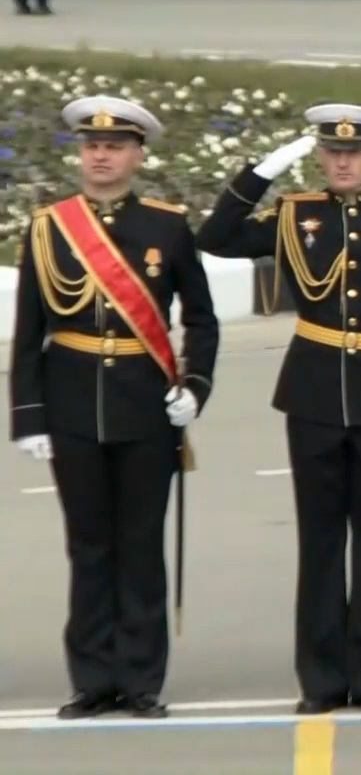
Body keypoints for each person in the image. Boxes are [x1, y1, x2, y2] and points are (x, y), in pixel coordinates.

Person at [193, 105, 361, 715]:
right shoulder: (294, 214)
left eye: (354, 151)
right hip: (312, 395)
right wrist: (262, 174)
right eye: (332, 151)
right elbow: (216, 237)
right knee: (322, 542)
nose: (343, 161)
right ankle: (323, 680)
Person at [11, 97, 219, 719]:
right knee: (88, 545)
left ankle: (141, 680)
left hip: (145, 406)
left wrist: (196, 387)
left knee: (139, 544)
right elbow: (28, 332)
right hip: (72, 403)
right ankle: (92, 679)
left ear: (137, 155)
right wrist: (28, 414)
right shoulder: (49, 227)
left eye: (115, 146)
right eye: (92, 145)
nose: (101, 155)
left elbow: (202, 321)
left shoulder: (166, 226)